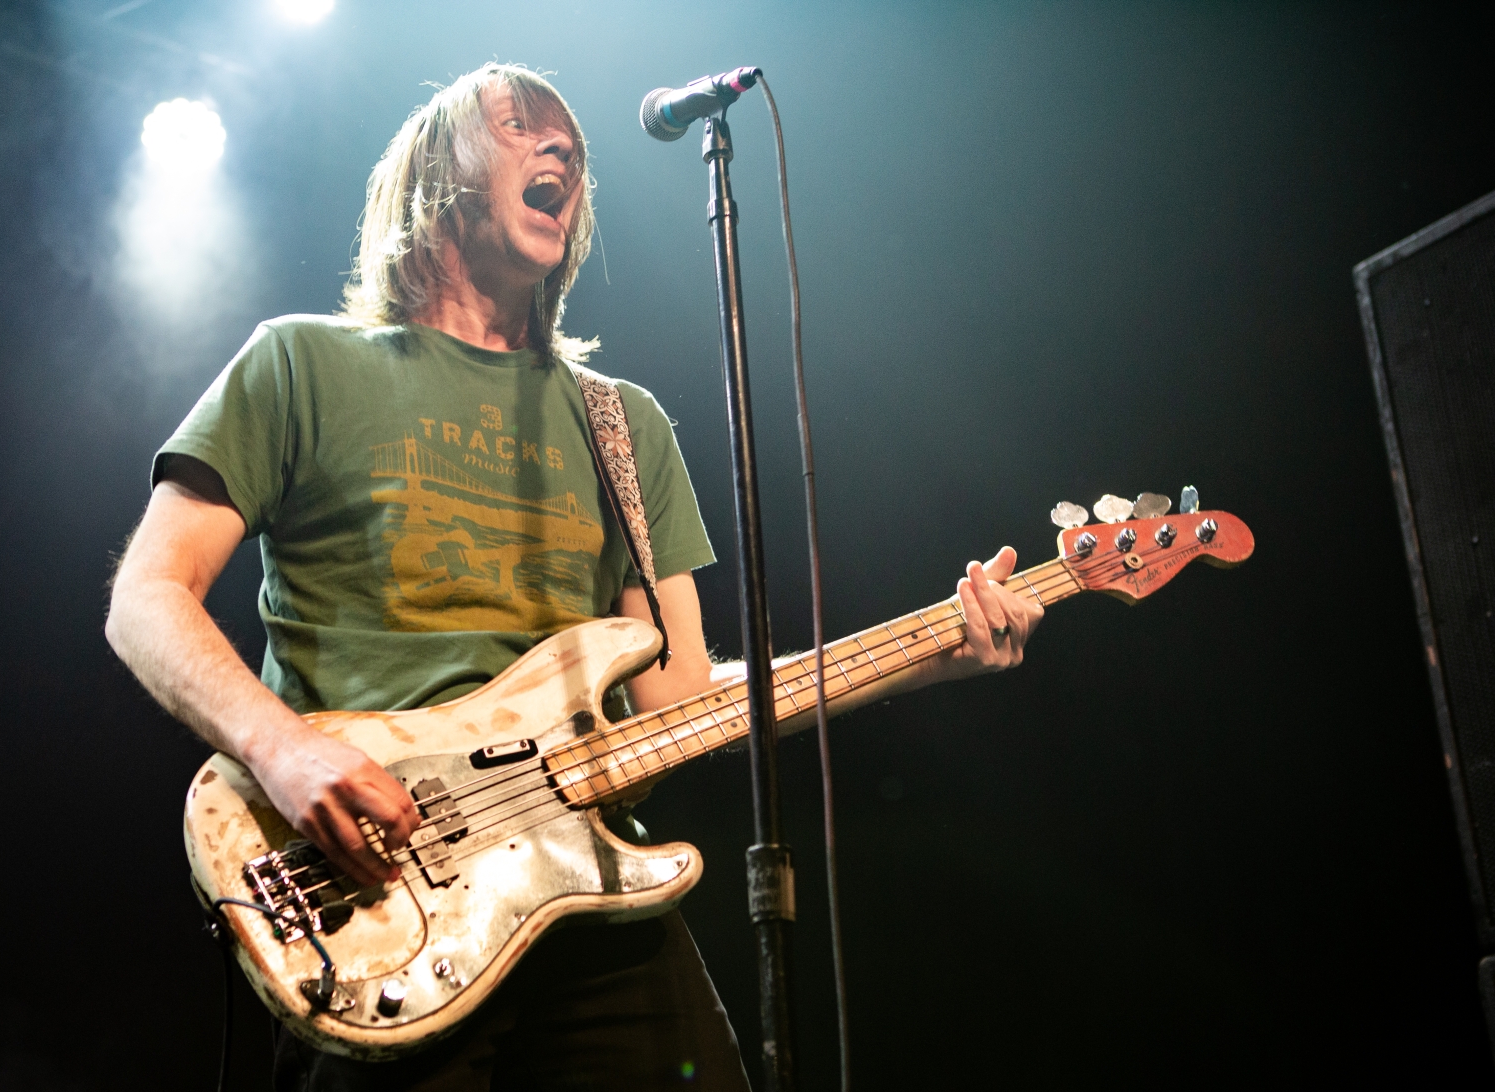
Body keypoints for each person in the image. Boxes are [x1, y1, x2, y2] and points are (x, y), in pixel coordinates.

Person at [105, 63, 1043, 1091]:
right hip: (378, 887)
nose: (562, 149)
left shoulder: (622, 425)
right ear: (439, 172)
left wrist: (936, 653)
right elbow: (146, 598)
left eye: (574, 147)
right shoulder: (298, 364)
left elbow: (681, 701)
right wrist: (283, 752)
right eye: (522, 127)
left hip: (590, 889)